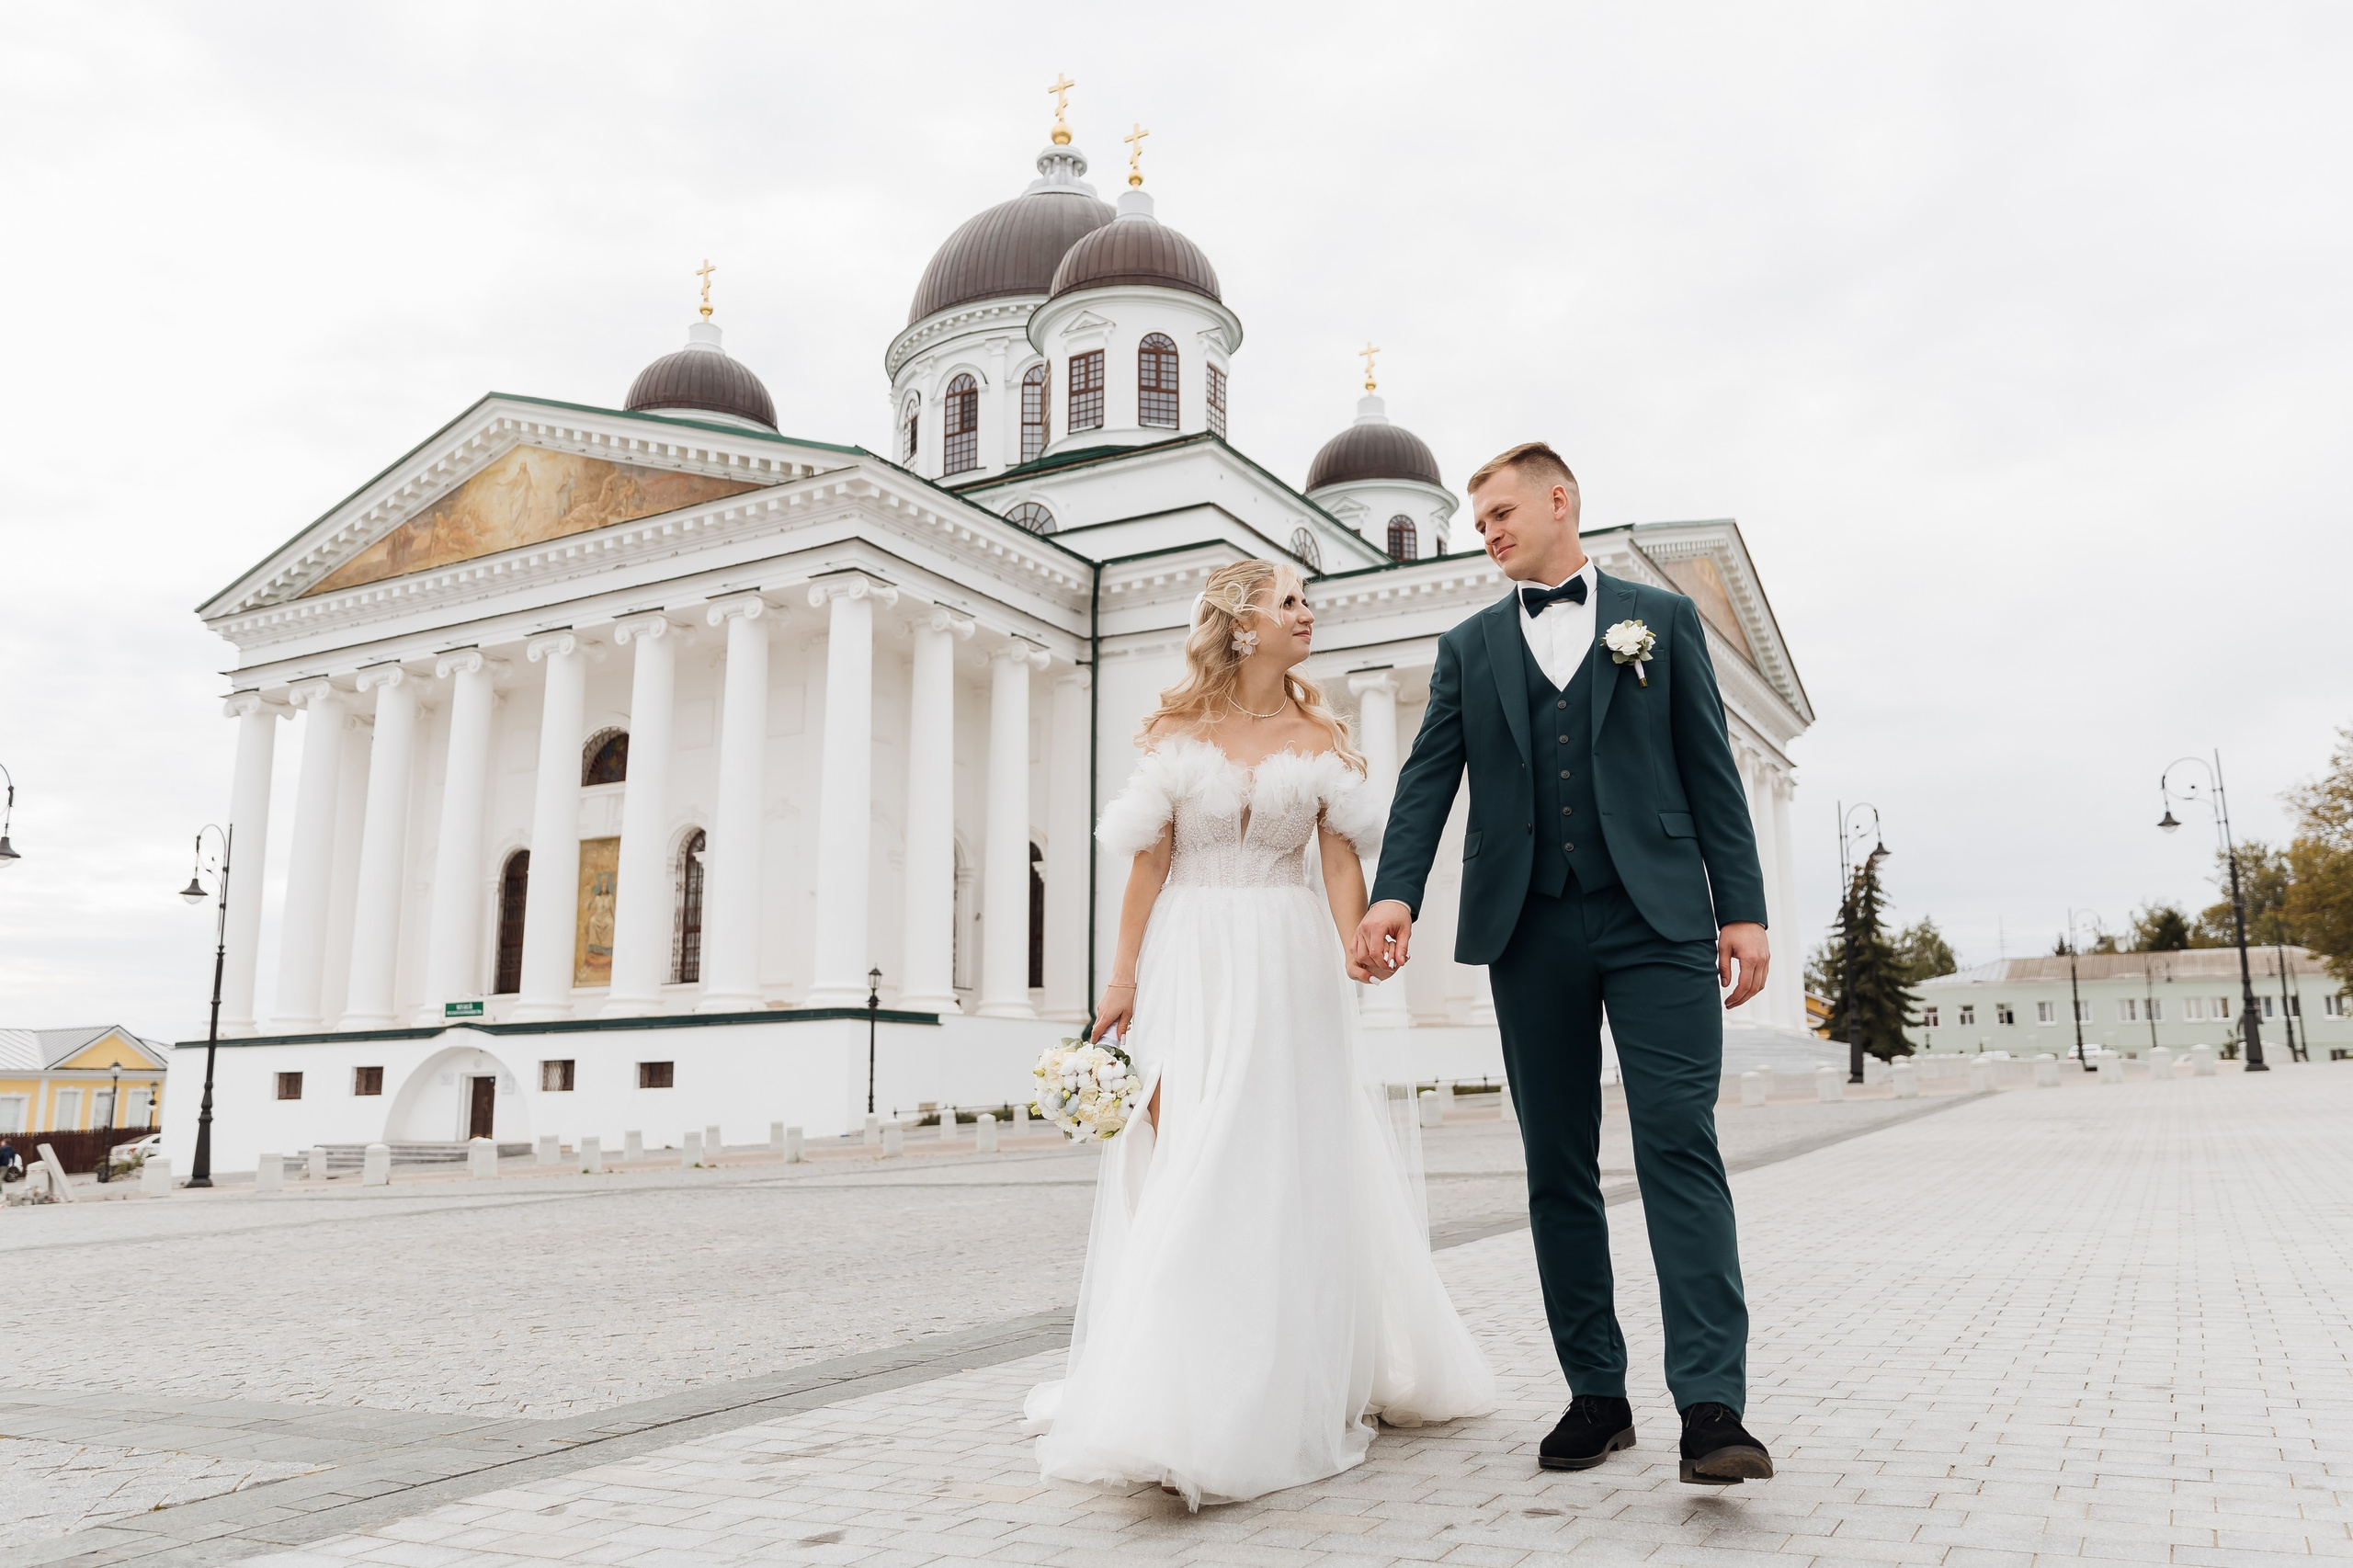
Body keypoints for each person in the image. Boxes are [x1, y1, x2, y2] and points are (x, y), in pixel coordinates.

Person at [1026, 558, 1495, 1508]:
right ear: (1240, 624)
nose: (1306, 614)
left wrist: (1358, 942)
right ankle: (1174, 1383)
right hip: (1189, 960)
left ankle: (1276, 1379)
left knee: (1274, 1158)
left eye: (1305, 602)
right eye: (1288, 602)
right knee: (1187, 1151)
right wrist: (1119, 978)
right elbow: (1147, 867)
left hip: (1288, 966)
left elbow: (1333, 864)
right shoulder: (1174, 730)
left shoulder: (1320, 732)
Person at [1351, 442, 1777, 1485]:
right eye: (1477, 520)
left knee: (1680, 1141)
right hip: (1529, 927)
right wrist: (1394, 888)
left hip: (1660, 920)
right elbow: (1426, 780)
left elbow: (1709, 769)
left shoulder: (1660, 621)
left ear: (1559, 500)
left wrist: (1745, 910)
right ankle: (1596, 1392)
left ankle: (1712, 1405)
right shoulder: (1467, 647)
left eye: (1500, 511)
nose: (1487, 531)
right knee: (1557, 1164)